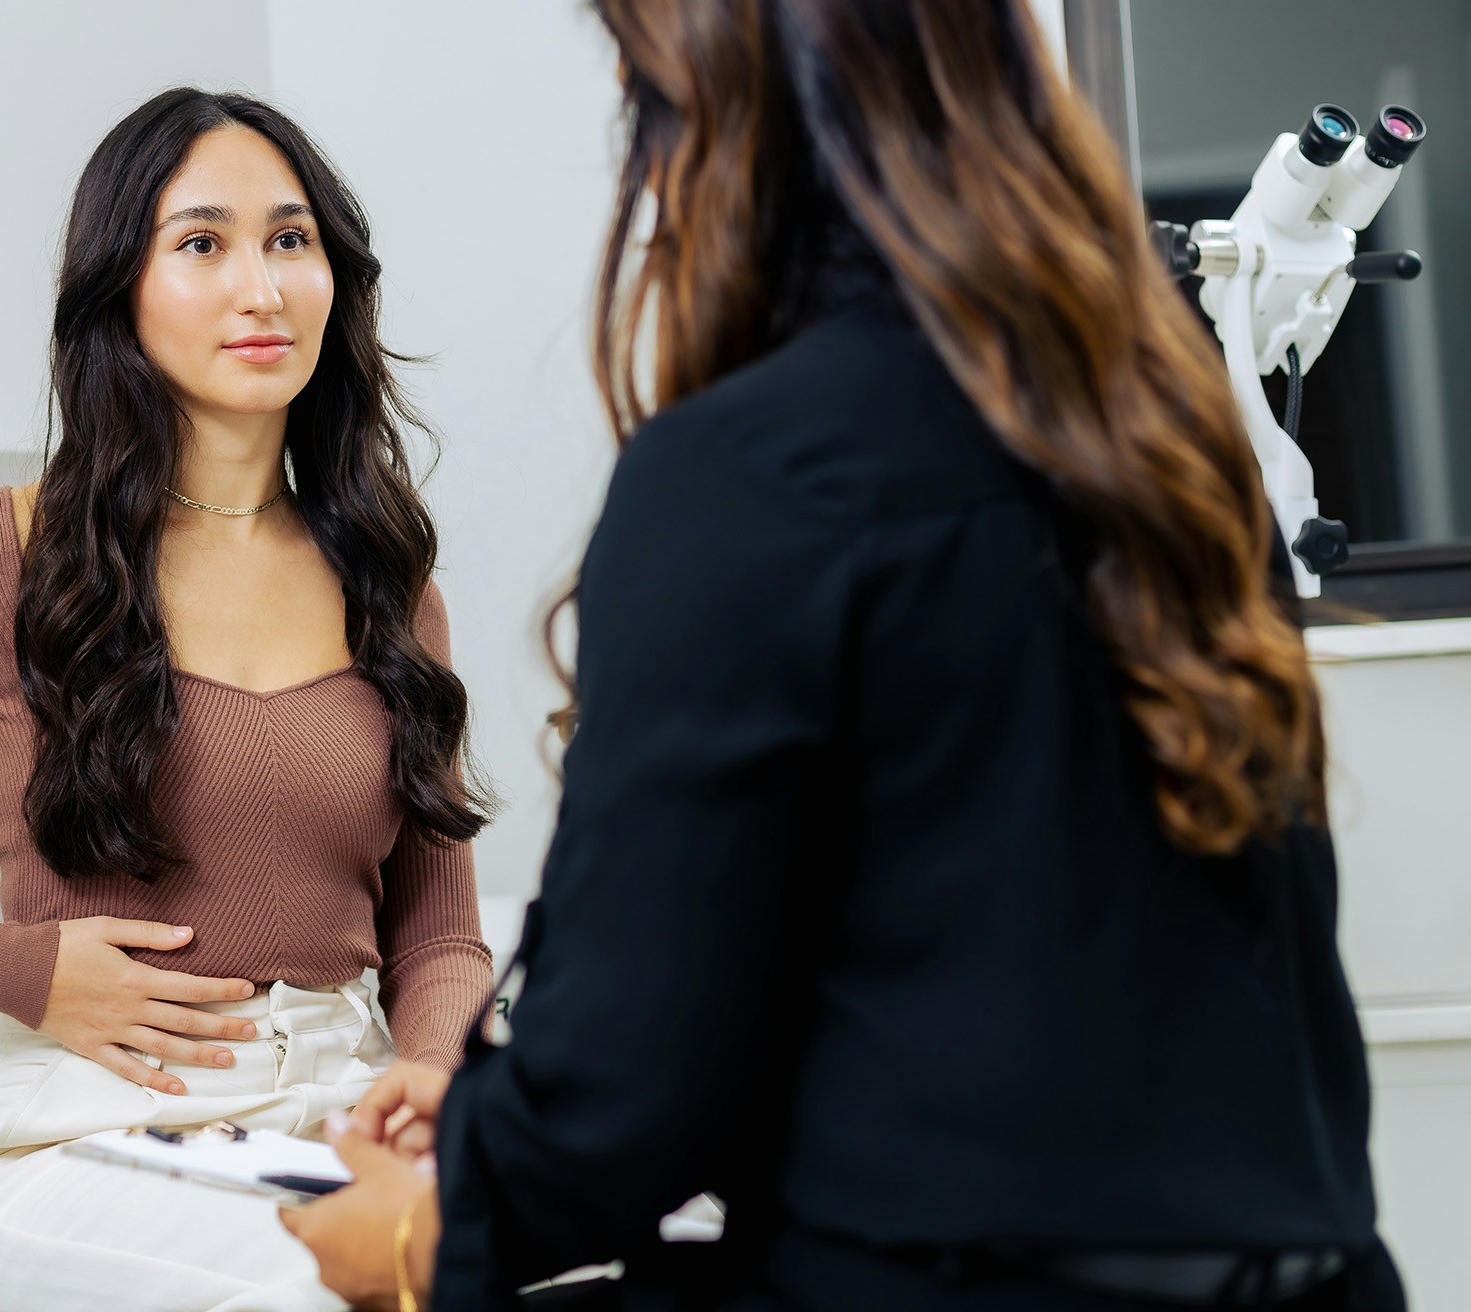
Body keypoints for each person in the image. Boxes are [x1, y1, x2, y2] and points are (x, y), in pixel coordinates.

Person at [279, 2, 1407, 1309]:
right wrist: (493, 1115)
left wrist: (428, 1230)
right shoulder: (1171, 449)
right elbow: (965, 978)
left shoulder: (749, 475)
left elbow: (624, 1113)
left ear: (716, 129)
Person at [0, 87, 494, 1312]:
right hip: (93, 1136)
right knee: (334, 1292)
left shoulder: (388, 578)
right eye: (202, 243)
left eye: (292, 239)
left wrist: (425, 1087)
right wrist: (13, 967)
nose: (261, 288)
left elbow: (437, 936)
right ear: (121, 287)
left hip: (346, 1121)